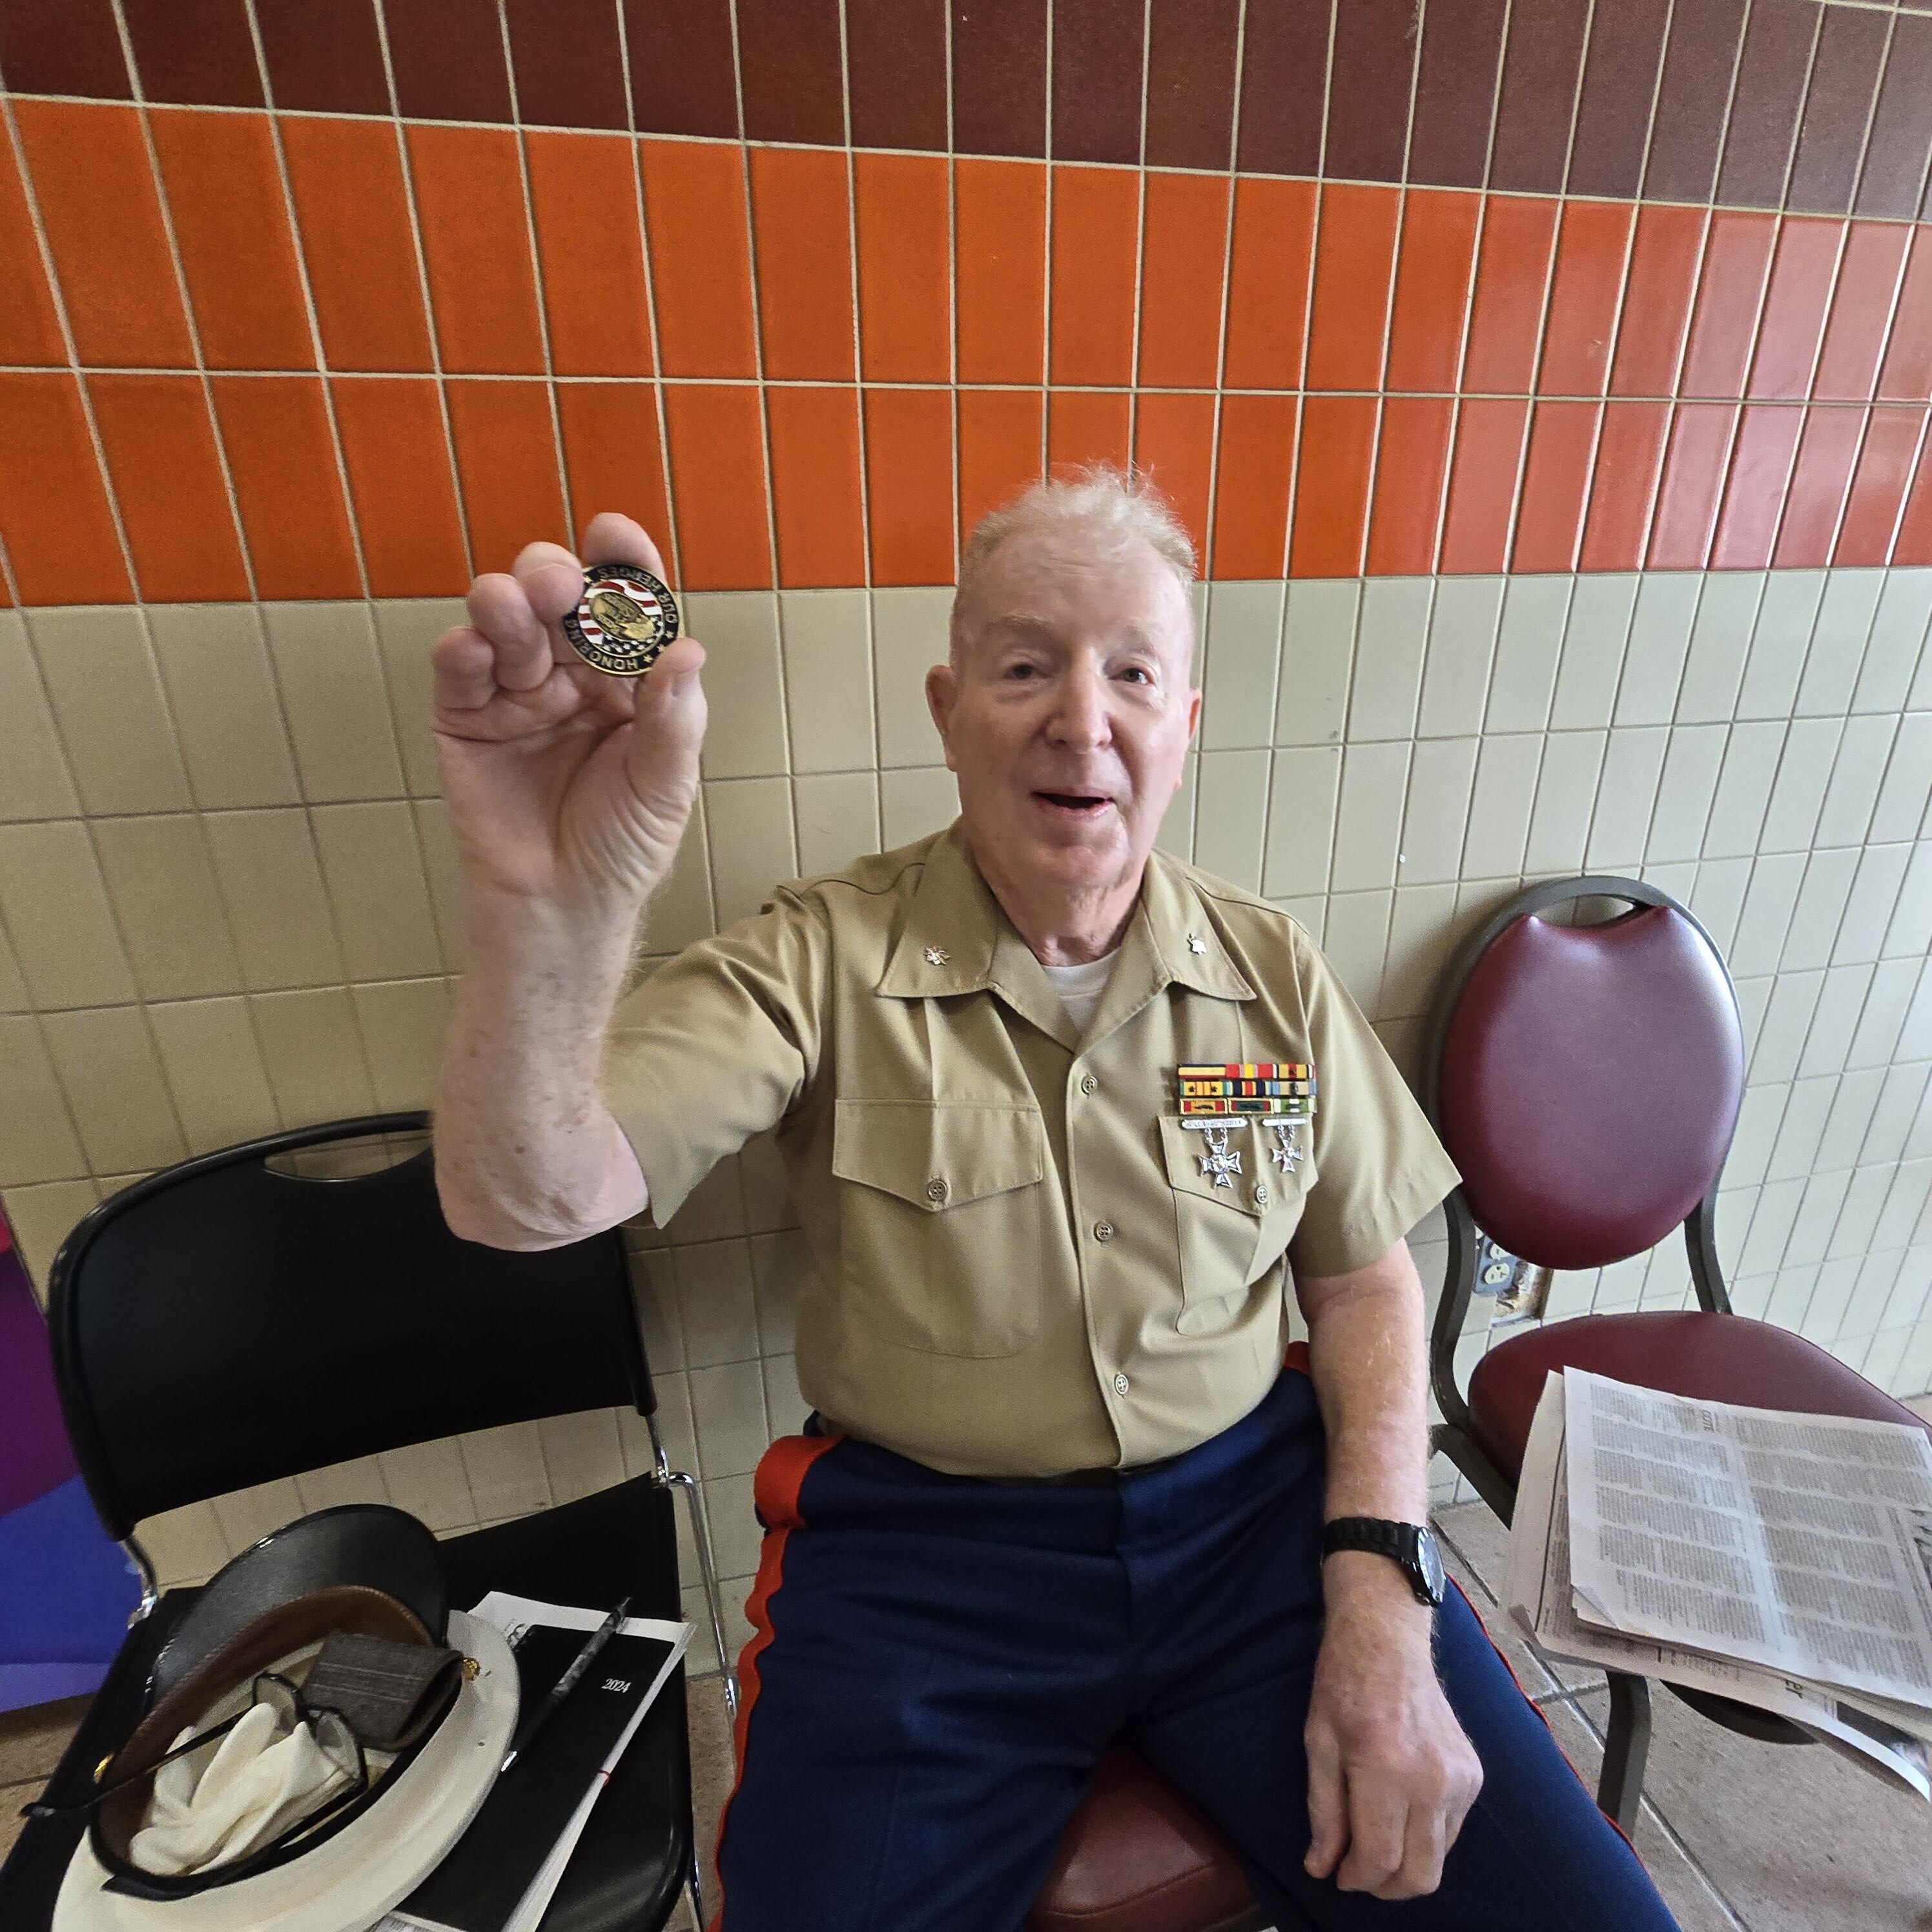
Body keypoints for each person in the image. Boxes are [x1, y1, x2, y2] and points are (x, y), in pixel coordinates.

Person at [430, 472, 1679, 1931]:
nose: (1080, 717)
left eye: (1131, 673)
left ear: (1182, 727)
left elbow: (1363, 1283)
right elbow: (520, 1197)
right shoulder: (815, 956)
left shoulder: (1269, 972)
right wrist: (557, 901)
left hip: (1254, 1529)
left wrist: (1378, 1586)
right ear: (949, 711)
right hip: (921, 1561)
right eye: (1024, 666)